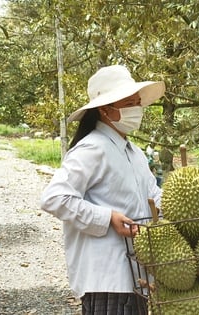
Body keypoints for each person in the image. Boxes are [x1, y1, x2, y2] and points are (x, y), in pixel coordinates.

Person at [41, 65, 165, 315]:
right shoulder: (93, 148)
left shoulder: (135, 153)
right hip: (107, 277)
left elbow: (155, 197)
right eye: (128, 102)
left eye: (137, 101)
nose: (136, 108)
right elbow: (54, 197)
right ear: (105, 109)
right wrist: (108, 218)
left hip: (136, 276)